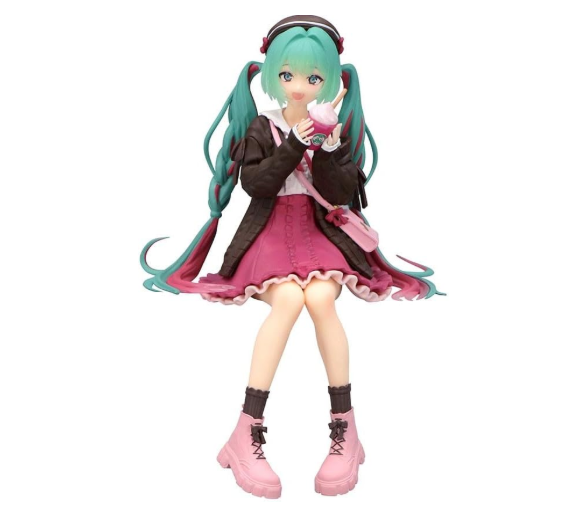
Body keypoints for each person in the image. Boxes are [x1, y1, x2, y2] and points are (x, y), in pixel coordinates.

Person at [140, 15, 444, 499]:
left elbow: (341, 193)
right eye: (287, 75)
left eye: (313, 77)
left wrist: (326, 146)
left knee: (320, 299)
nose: (299, 86)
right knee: (287, 302)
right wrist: (296, 143)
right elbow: (256, 184)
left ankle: (345, 429)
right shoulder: (263, 127)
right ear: (271, 75)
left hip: (319, 235)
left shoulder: (336, 130)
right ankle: (247, 429)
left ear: (332, 80)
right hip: (269, 235)